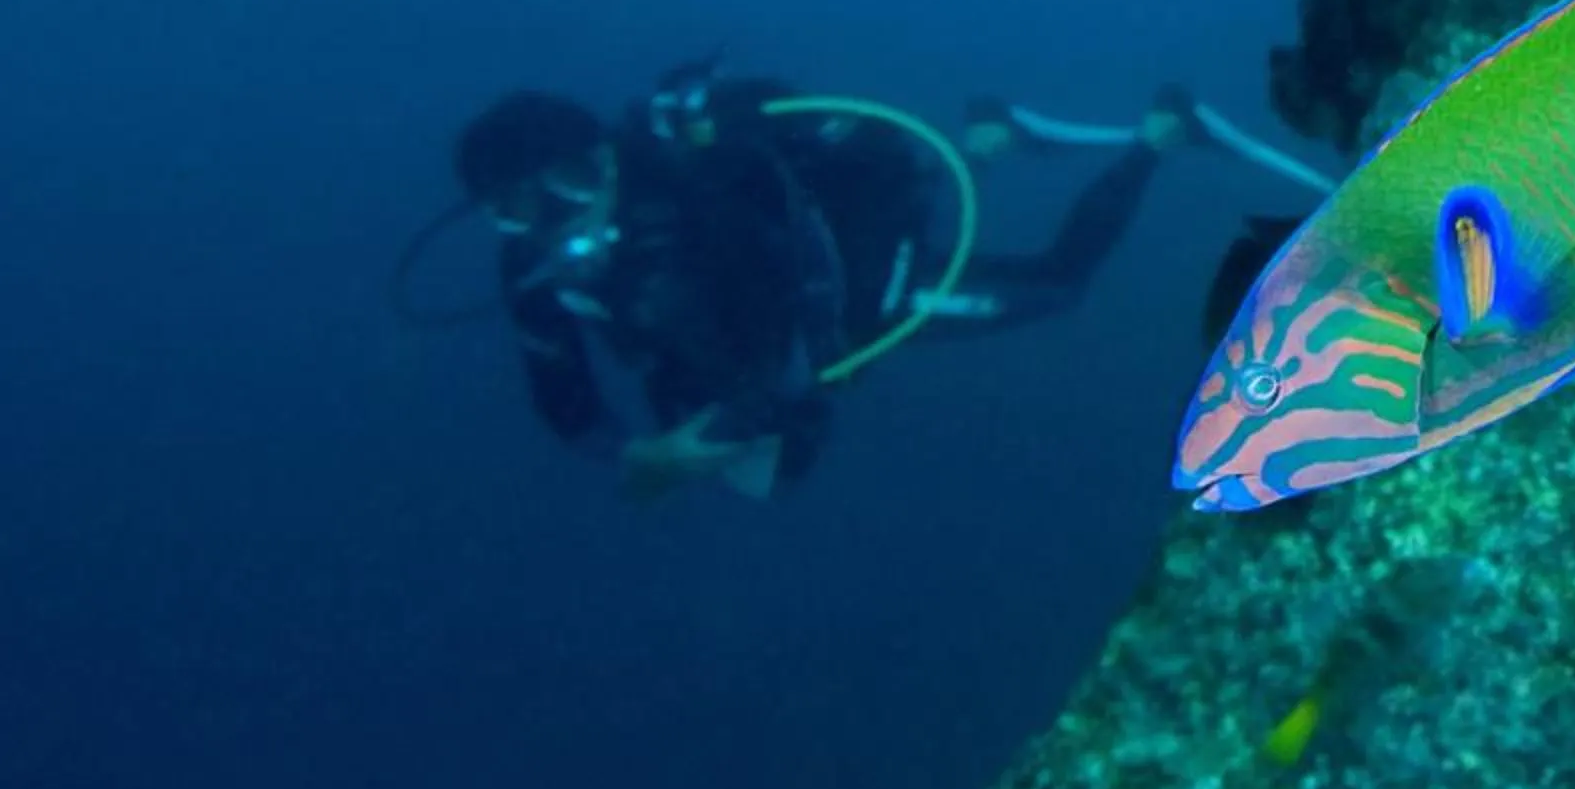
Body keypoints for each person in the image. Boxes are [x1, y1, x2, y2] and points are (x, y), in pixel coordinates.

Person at [449, 59, 1207, 500]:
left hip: (860, 280)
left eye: (575, 183)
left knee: (1058, 285)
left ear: (609, 159)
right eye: (519, 208)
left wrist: (801, 362)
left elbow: (791, 292)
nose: (558, 219)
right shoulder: (534, 273)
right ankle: (989, 136)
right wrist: (641, 454)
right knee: (763, 481)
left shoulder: (685, 179)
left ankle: (1154, 140)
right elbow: (570, 411)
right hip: (774, 342)